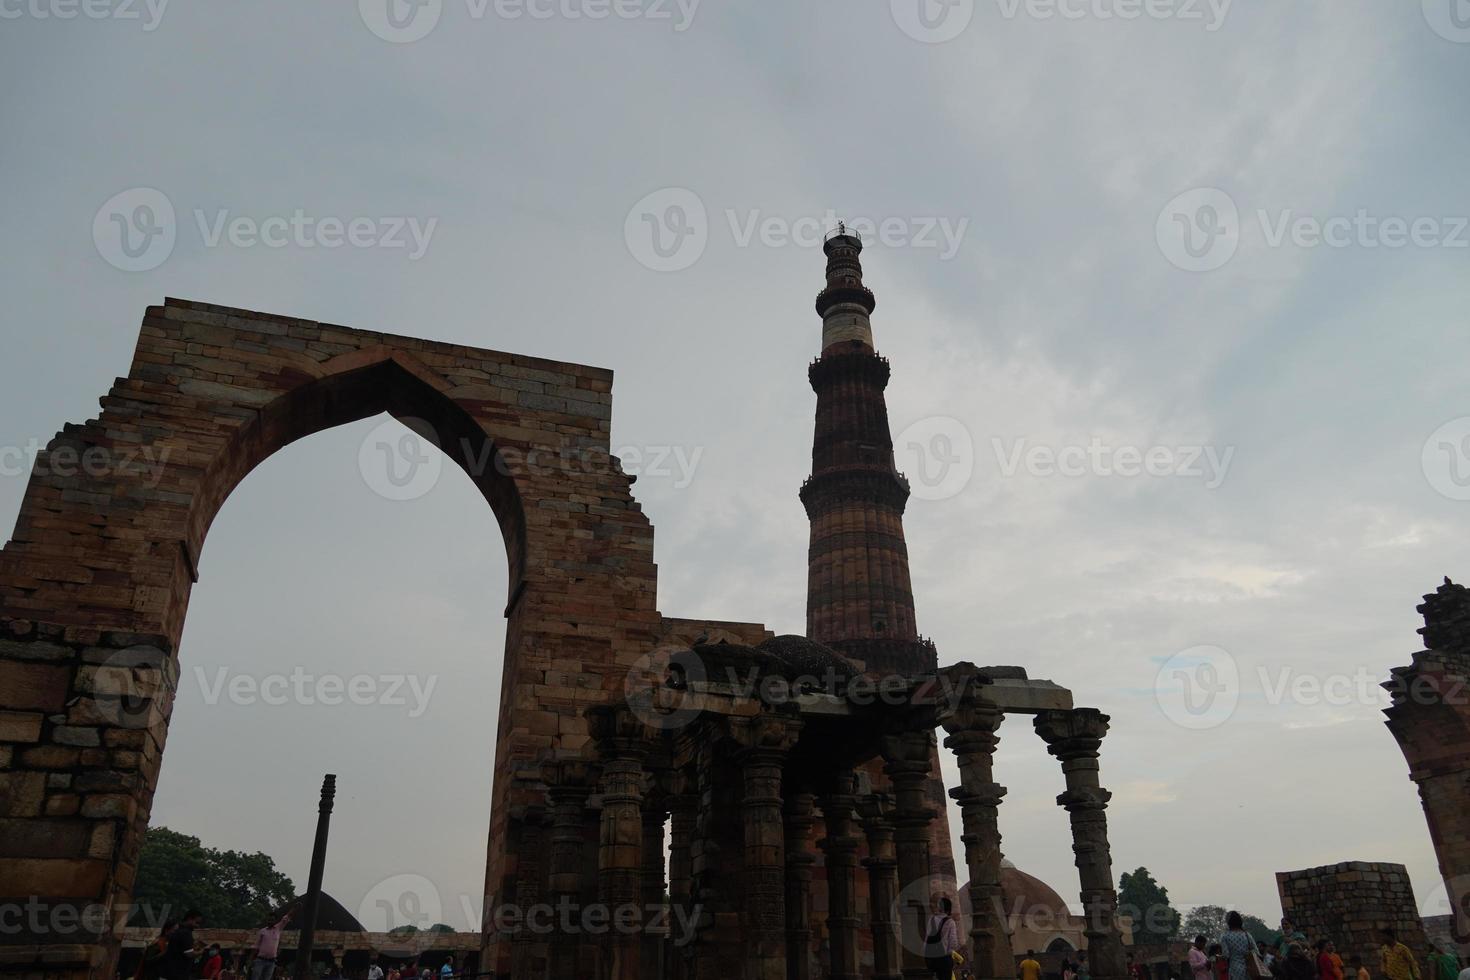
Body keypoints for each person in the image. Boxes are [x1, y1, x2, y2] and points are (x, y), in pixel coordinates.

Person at [924, 897, 962, 980]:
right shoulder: (950, 922)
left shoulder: (931, 920)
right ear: (949, 908)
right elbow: (953, 943)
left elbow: (926, 939)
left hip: (932, 958)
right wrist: (949, 953)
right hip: (944, 958)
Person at [161, 911, 204, 980]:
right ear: (190, 919)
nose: (197, 926)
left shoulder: (178, 929)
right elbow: (189, 954)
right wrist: (201, 951)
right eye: (197, 923)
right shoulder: (186, 932)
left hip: (168, 972)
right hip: (177, 975)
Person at [1220, 910, 1261, 980]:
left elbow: (1226, 955)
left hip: (1235, 969)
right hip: (1250, 970)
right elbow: (1257, 952)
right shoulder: (1247, 935)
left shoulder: (1225, 936)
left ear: (1228, 922)